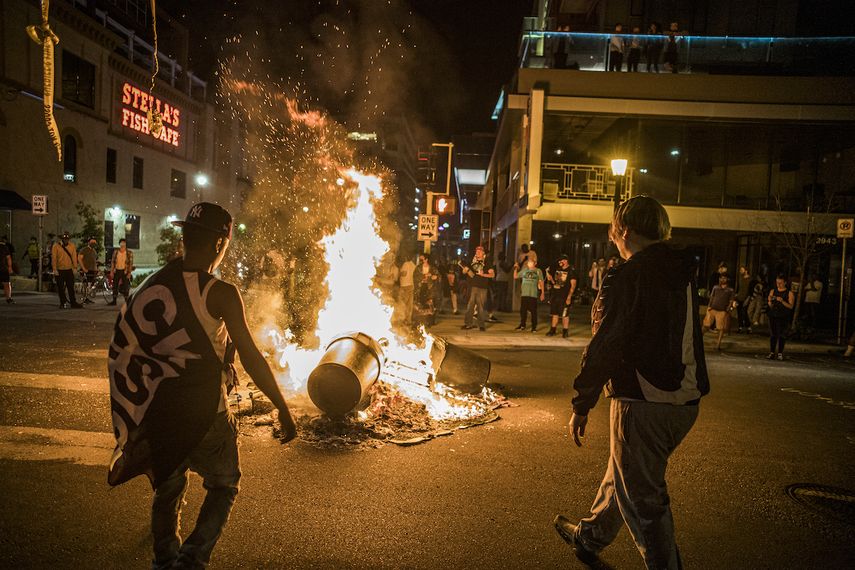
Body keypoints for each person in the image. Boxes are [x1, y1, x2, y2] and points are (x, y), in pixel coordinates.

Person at [107, 202, 298, 570]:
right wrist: (282, 407)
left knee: (168, 487)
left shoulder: (151, 284)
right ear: (218, 244)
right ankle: (192, 560)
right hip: (206, 413)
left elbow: (125, 349)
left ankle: (164, 559)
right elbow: (252, 357)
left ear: (185, 237)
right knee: (224, 485)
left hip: (161, 412)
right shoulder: (221, 292)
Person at [554, 195, 709, 569]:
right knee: (625, 473)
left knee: (645, 502)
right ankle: (589, 537)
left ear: (623, 230)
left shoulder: (628, 274)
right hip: (685, 401)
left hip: (642, 401)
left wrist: (582, 403)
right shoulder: (682, 271)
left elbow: (606, 343)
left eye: (613, 230)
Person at [460, 245, 494, 331]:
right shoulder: (471, 261)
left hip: (482, 287)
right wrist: (464, 270)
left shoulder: (487, 262)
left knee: (481, 307)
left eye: (479, 251)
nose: (477, 252)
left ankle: (481, 325)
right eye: (476, 251)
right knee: (470, 306)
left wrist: (483, 274)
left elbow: (492, 275)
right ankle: (468, 324)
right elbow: (464, 271)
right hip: (472, 286)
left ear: (483, 253)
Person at [545, 254, 578, 338]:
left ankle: (565, 331)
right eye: (559, 260)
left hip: (565, 296)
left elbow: (573, 285)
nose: (559, 262)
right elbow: (556, 283)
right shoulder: (558, 270)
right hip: (556, 295)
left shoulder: (571, 271)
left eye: (561, 260)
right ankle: (553, 330)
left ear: (566, 261)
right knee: (554, 313)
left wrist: (569, 297)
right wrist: (550, 277)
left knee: (564, 314)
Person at [703, 274, 735, 351]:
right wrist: (709, 307)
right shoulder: (715, 287)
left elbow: (731, 300)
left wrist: (727, 309)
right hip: (712, 309)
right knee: (706, 325)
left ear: (727, 279)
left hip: (722, 311)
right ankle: (698, 340)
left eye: (724, 278)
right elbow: (712, 297)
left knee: (721, 328)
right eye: (721, 278)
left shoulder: (730, 290)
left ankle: (718, 345)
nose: (722, 280)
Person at [767, 274, 794, 360]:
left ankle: (780, 353)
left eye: (780, 283)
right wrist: (770, 302)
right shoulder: (773, 291)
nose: (778, 285)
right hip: (773, 315)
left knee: (782, 334)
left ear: (785, 283)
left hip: (783, 316)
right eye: (777, 283)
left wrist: (782, 301)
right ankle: (772, 352)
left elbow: (791, 306)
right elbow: (769, 303)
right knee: (773, 334)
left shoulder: (789, 293)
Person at [513, 256, 544, 332]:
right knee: (523, 310)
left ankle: (534, 327)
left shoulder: (538, 271)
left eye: (531, 262)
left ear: (535, 263)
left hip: (533, 294)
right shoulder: (524, 270)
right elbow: (515, 276)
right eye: (528, 262)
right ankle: (522, 325)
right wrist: (516, 268)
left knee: (533, 311)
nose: (529, 263)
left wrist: (542, 293)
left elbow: (541, 282)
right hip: (524, 293)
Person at [52, 232, 82, 309]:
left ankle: (73, 302)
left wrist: (75, 267)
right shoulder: (56, 246)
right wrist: (55, 269)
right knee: (60, 288)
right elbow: (54, 258)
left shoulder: (72, 246)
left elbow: (74, 257)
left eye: (67, 239)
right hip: (60, 270)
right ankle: (63, 302)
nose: (66, 240)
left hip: (69, 270)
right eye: (64, 239)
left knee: (70, 287)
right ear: (62, 239)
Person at [108, 238, 134, 305]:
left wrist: (129, 273)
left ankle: (126, 301)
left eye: (124, 243)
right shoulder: (116, 252)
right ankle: (114, 301)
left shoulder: (129, 253)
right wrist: (111, 271)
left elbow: (130, 264)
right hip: (117, 270)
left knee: (126, 286)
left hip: (124, 271)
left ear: (125, 244)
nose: (122, 244)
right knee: (115, 285)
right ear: (119, 244)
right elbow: (113, 262)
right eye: (121, 243)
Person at [78, 236, 99, 304]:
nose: (94, 243)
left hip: (92, 270)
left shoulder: (94, 251)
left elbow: (95, 261)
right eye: (92, 242)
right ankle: (84, 298)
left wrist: (96, 269)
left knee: (91, 285)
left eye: (94, 242)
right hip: (86, 270)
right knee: (85, 284)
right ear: (89, 242)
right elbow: (79, 259)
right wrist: (83, 268)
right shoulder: (84, 249)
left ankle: (87, 298)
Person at [397, 255, 416, 326]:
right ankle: (408, 320)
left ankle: (402, 320)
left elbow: (404, 274)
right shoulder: (413, 264)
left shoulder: (405, 264)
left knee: (402, 303)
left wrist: (399, 272)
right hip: (411, 285)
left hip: (404, 286)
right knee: (409, 304)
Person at [734, 266, 753, 333]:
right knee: (739, 312)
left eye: (742, 270)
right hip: (739, 297)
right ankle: (740, 326)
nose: (740, 271)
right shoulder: (741, 279)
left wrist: (748, 298)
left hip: (746, 298)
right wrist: (736, 296)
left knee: (744, 312)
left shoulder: (750, 280)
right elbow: (738, 288)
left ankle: (748, 326)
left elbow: (751, 291)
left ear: (746, 270)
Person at [0, 237, 12, 304]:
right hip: (3, 268)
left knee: (6, 283)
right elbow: (8, 258)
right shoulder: (5, 247)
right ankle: (8, 298)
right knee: (7, 284)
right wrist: (10, 267)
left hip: (3, 268)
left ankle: (9, 298)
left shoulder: (5, 247)